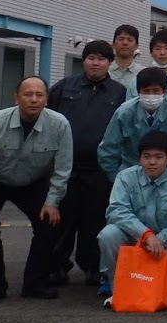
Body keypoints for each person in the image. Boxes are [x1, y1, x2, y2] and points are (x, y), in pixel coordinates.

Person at [0, 76, 74, 302]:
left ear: (47, 99)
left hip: (33, 181)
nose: (33, 100)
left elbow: (63, 168)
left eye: (39, 95)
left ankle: (35, 283)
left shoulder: (60, 124)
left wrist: (52, 202)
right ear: (16, 98)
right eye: (28, 94)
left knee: (49, 223)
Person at [46, 39, 128, 286]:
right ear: (84, 61)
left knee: (95, 220)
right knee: (61, 220)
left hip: (101, 170)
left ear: (110, 63)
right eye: (91, 58)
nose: (96, 63)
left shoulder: (120, 93)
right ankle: (56, 266)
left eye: (102, 58)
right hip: (65, 169)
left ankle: (93, 267)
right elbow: (48, 120)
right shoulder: (63, 88)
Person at [96, 130, 167, 304]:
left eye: (158, 157)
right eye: (146, 156)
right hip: (134, 238)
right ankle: (117, 287)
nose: (152, 162)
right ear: (139, 158)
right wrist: (145, 235)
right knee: (108, 234)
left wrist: (159, 240)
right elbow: (116, 210)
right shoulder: (125, 177)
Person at [98, 69, 167, 179]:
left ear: (165, 91)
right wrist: (117, 178)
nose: (151, 96)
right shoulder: (124, 113)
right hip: (132, 175)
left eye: (156, 91)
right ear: (138, 91)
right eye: (146, 91)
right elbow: (108, 150)